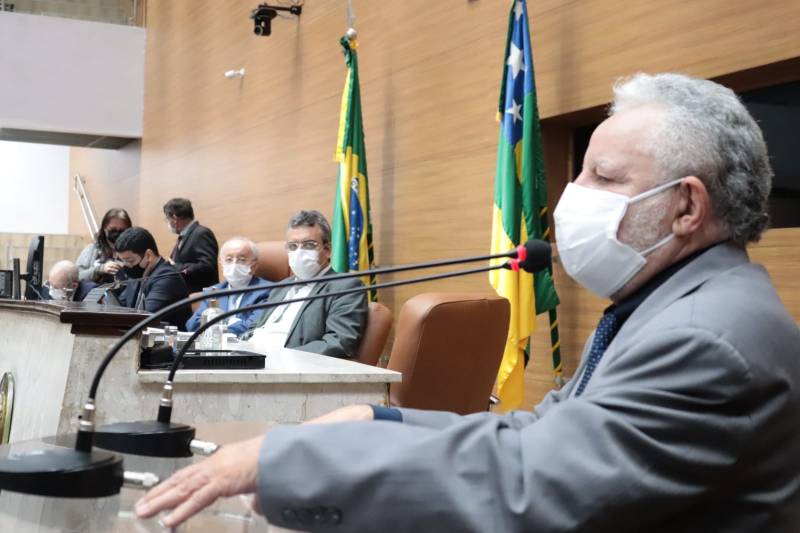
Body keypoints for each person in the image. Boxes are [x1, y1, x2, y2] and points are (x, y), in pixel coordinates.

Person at [136, 73, 800, 531]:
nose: (570, 197)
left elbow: (528, 484)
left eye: (602, 176)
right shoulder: (678, 304)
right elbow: (537, 432)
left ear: (686, 207)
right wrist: (376, 420)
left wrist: (288, 461)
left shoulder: (703, 336)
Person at [242, 210, 367, 358]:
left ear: (327, 250)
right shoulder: (280, 287)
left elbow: (338, 344)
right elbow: (255, 327)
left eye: (308, 245)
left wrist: (281, 356)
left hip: (287, 364)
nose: (299, 252)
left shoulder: (346, 287)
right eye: (292, 246)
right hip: (251, 358)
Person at [185, 237, 272, 335]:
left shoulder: (267, 291)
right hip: (214, 343)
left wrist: (216, 326)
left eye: (242, 260)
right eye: (229, 260)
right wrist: (229, 323)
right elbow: (193, 325)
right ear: (222, 264)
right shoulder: (213, 292)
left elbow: (253, 326)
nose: (234, 264)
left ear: (254, 266)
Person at [116, 227, 191, 328]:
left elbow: (143, 318)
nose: (126, 266)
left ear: (148, 255)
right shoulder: (139, 274)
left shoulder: (167, 279)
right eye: (123, 261)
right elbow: (120, 304)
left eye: (130, 261)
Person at [164, 198, 219, 293]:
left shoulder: (201, 233)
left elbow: (207, 266)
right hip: (186, 296)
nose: (168, 222)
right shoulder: (183, 237)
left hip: (203, 296)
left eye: (167, 219)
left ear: (175, 218)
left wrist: (176, 267)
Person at [75, 208, 132, 284]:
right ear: (104, 228)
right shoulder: (92, 250)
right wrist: (101, 269)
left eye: (122, 231)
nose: (117, 234)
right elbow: (77, 276)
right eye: (113, 230)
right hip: (97, 290)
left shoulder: (133, 251)